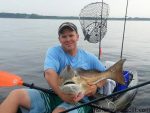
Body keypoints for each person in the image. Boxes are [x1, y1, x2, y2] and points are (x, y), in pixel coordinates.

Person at [0, 22, 115, 113]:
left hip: (80, 101)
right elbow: (49, 73)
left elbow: (106, 75)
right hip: (55, 94)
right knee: (15, 95)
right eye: (64, 36)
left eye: (71, 35)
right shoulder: (54, 51)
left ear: (77, 37)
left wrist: (95, 86)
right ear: (59, 39)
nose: (68, 39)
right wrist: (62, 95)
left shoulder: (89, 57)